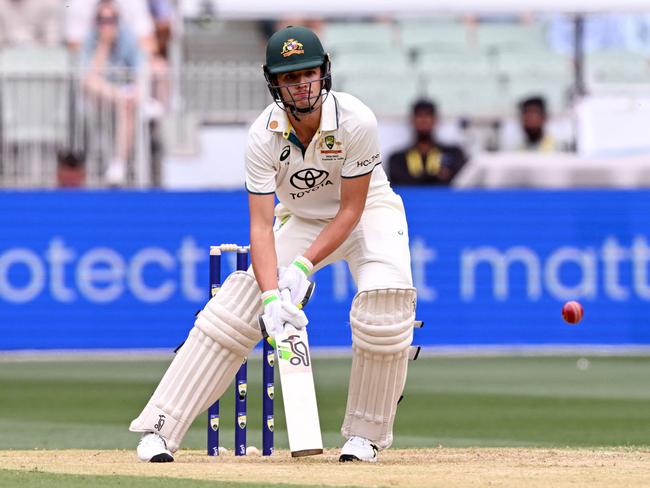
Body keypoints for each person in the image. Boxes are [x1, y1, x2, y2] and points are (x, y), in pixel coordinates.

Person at [129, 25, 417, 464]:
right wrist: (269, 297)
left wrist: (300, 270)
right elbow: (261, 229)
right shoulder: (262, 135)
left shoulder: (357, 120)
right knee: (235, 306)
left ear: (324, 73)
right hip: (301, 216)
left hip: (367, 214)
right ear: (274, 83)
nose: (302, 85)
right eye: (289, 77)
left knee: (384, 306)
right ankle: (159, 429)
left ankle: (366, 436)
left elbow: (350, 212)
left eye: (309, 73)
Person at [81, 0, 143, 186]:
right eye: (103, 20)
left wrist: (136, 92)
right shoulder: (90, 39)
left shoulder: (128, 37)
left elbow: (141, 71)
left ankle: (119, 163)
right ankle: (121, 96)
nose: (107, 24)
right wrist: (104, 45)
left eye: (112, 19)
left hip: (125, 101)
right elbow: (90, 76)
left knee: (126, 104)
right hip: (98, 98)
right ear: (96, 21)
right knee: (90, 82)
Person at [388, 99, 467, 185]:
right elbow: (400, 181)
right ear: (412, 120)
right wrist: (437, 176)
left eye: (428, 115)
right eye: (419, 116)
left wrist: (415, 178)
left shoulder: (453, 153)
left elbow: (458, 182)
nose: (424, 120)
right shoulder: (397, 158)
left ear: (435, 120)